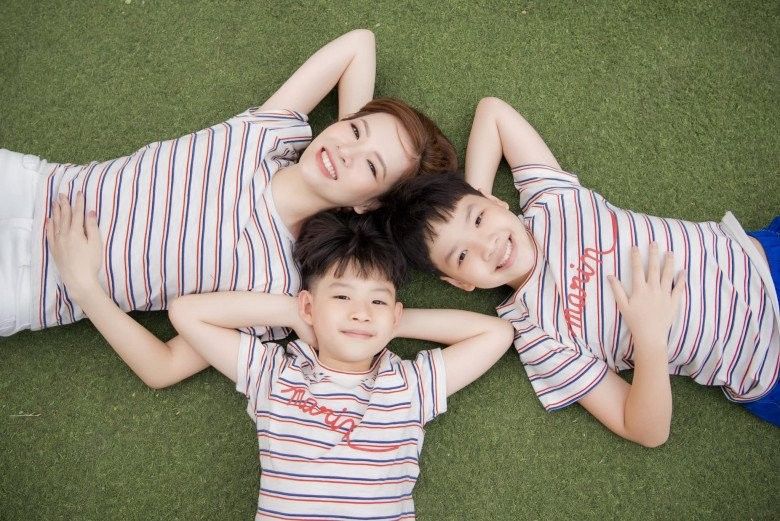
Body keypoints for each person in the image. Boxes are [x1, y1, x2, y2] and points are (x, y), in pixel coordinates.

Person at [1, 30, 456, 387]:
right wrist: (358, 151)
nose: (345, 152)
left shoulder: (278, 285)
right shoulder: (268, 134)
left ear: (369, 203)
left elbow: (164, 367)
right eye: (354, 131)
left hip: (32, 285)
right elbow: (359, 44)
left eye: (372, 167)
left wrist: (84, 288)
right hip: (31, 185)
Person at [51, 202, 514, 519]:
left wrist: (390, 322)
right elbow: (187, 313)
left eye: (376, 300)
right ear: (309, 305)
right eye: (341, 297)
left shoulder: (409, 386)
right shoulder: (273, 373)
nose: (360, 312)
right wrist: (296, 313)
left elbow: (496, 333)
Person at [381, 97, 779, 447]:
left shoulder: (551, 202)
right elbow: (646, 430)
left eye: (479, 218)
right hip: (763, 361)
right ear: (460, 282)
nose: (488, 245)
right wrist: (650, 338)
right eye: (462, 255)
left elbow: (493, 113)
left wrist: (475, 192)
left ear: (496, 202)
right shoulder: (537, 335)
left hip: (761, 260)